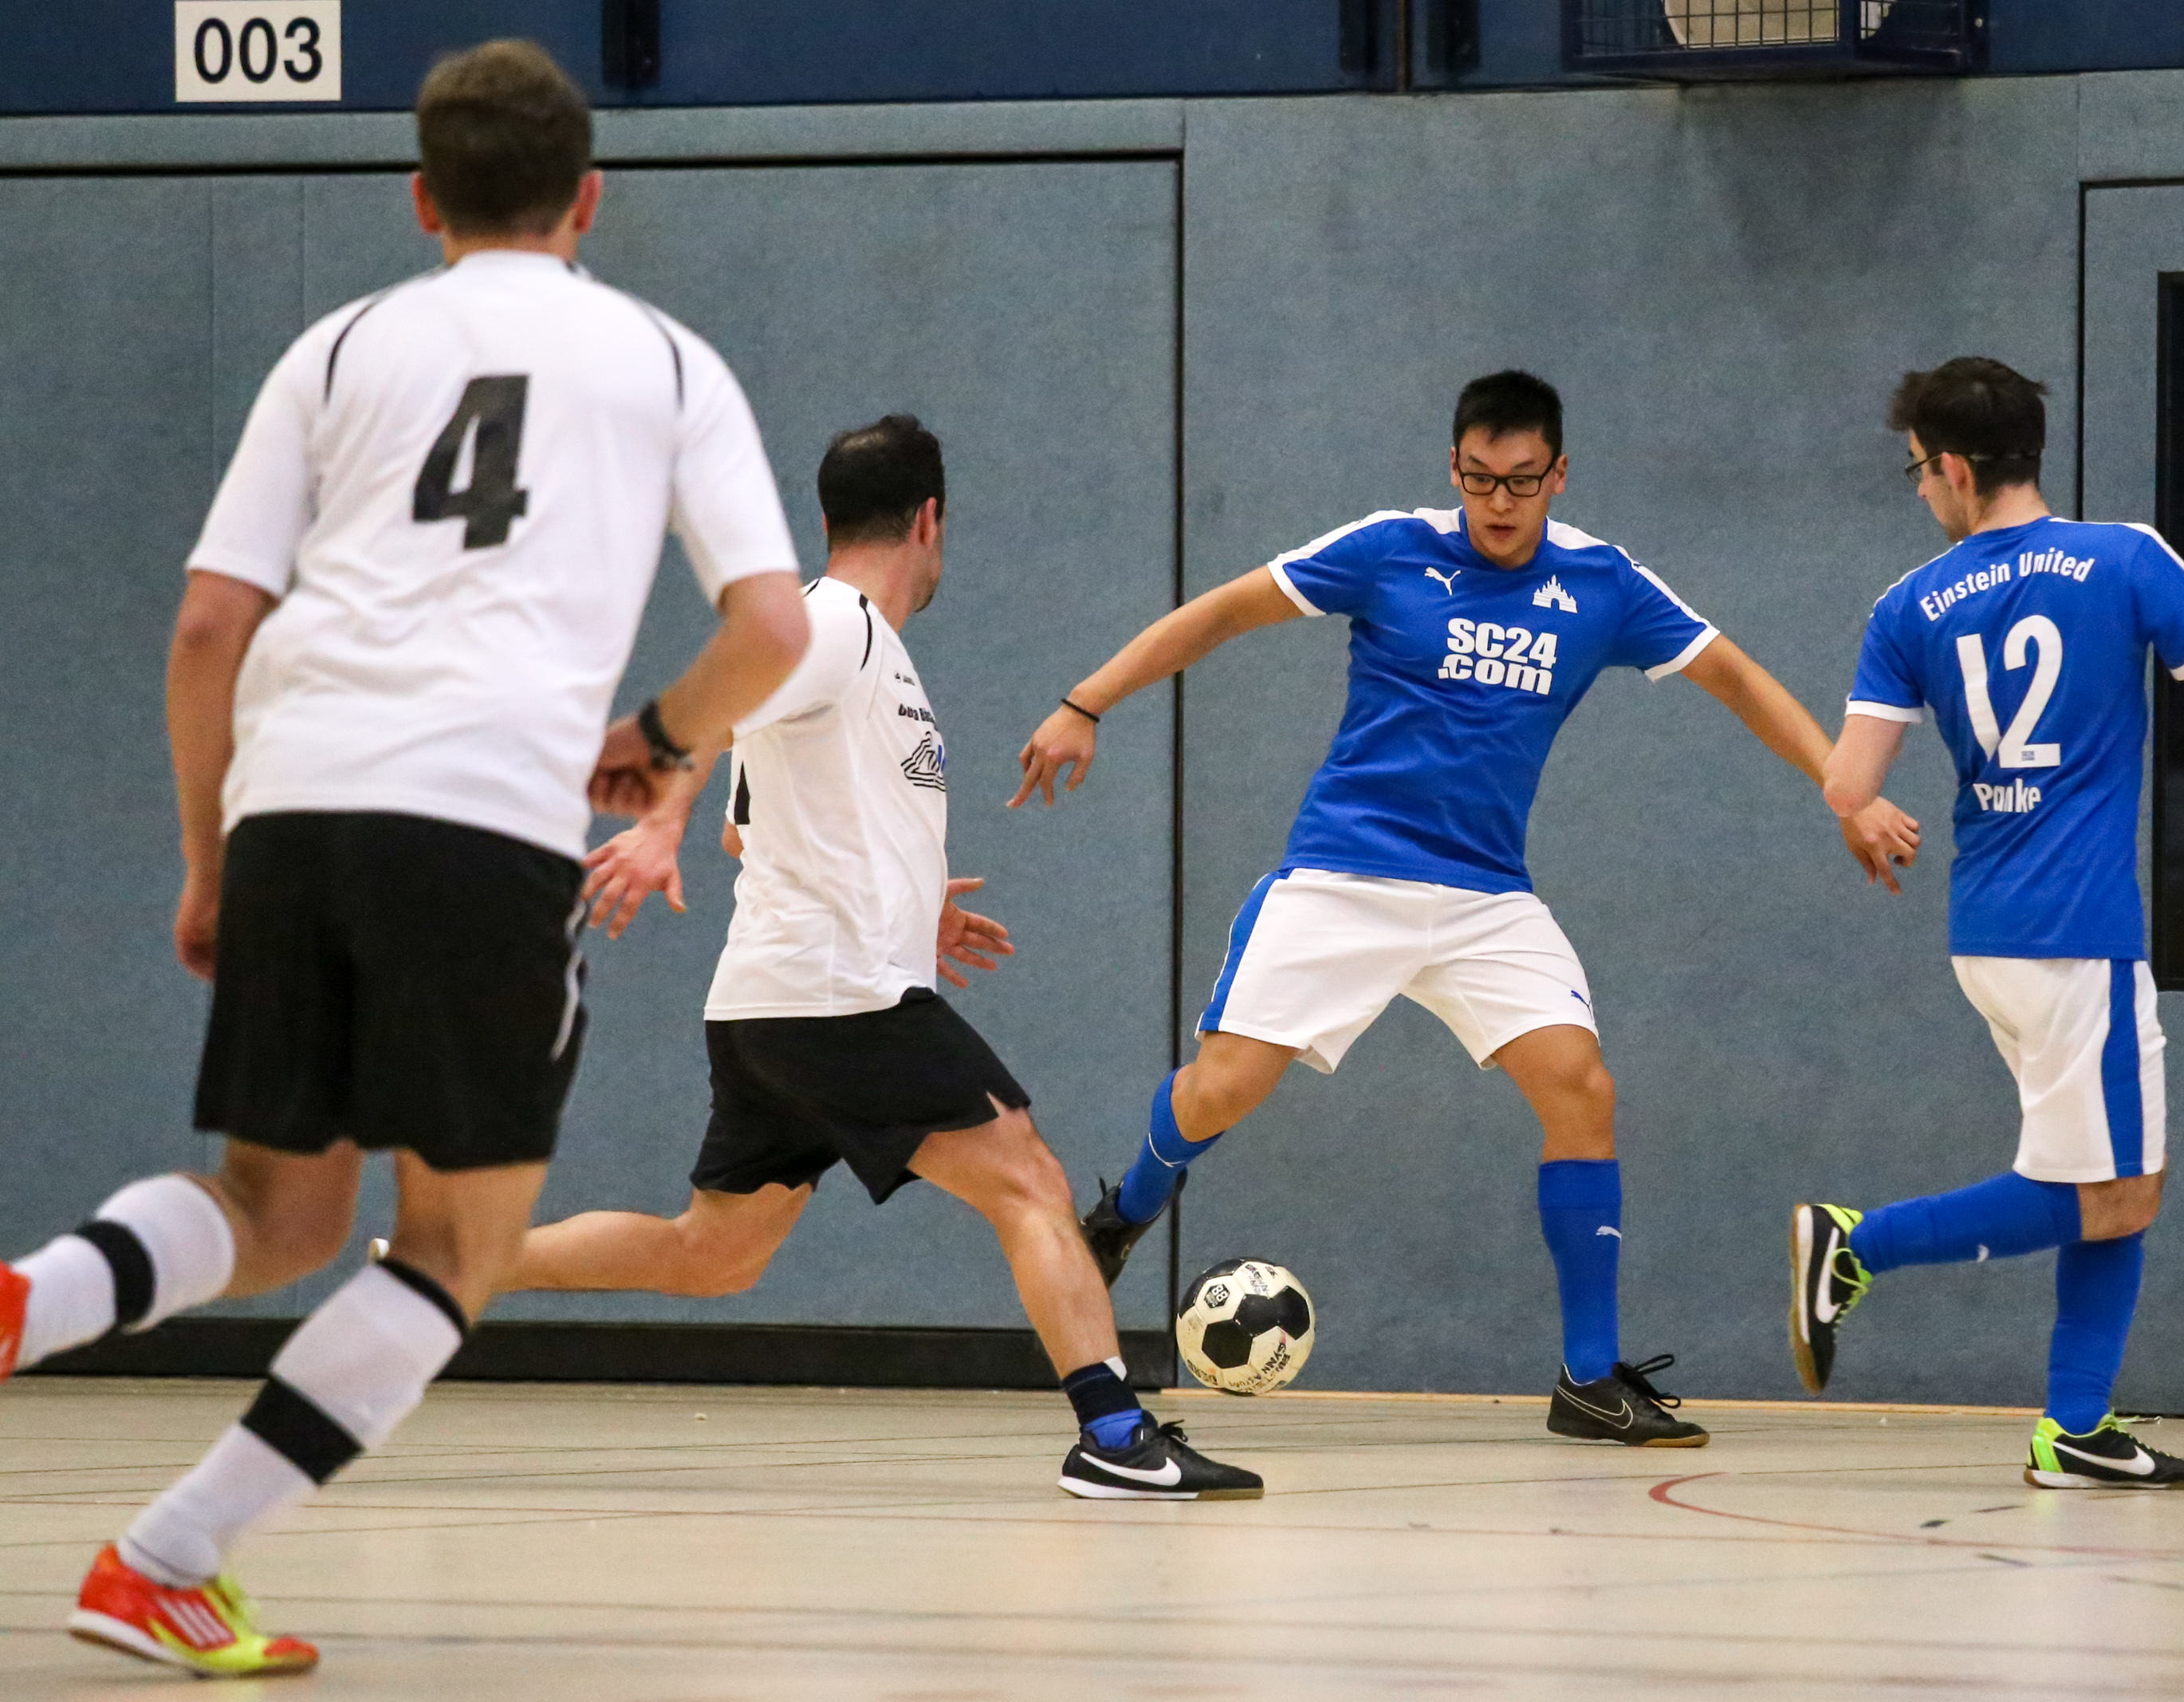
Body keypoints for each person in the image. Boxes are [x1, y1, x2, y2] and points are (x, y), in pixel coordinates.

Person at [0, 41, 813, 1675]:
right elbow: (773, 628)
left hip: (295, 805)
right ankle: (166, 1556)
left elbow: (210, 625)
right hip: (481, 824)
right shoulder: (664, 361)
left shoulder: (337, 346)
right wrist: (659, 736)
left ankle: (30, 1299)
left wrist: (210, 856)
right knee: (455, 1247)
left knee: (275, 1206)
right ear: (589, 199)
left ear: (422, 200)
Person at [1013, 370, 1921, 1445]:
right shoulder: (1388, 549)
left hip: (1486, 893)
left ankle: (1588, 1378)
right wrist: (1085, 701)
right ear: (1453, 468)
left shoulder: (1602, 582)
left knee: (1580, 1087)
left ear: (1559, 474)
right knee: (1221, 1089)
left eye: (1522, 480)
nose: (1500, 501)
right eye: (1480, 478)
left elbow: (1735, 677)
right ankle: (1126, 1211)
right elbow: (1223, 612)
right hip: (1345, 874)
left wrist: (1846, 792)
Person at [498, 416, 1261, 1503]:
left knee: (713, 1254)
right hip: (839, 997)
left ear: (829, 515)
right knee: (1030, 1179)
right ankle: (1113, 1435)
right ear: (930, 520)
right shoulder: (835, 626)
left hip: (775, 1001)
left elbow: (750, 829)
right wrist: (659, 822)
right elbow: (709, 707)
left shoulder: (859, 653)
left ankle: (459, 1263)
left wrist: (912, 897)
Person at [1796, 356, 2184, 1488]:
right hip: (2078, 930)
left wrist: (1867, 812)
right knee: (2120, 1185)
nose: (1921, 491)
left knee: (2107, 1177)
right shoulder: (2124, 557)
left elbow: (1847, 782)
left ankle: (2076, 1427)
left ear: (1953, 469)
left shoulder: (1906, 604)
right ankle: (1857, 1243)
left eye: (1917, 471)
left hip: (1988, 930)